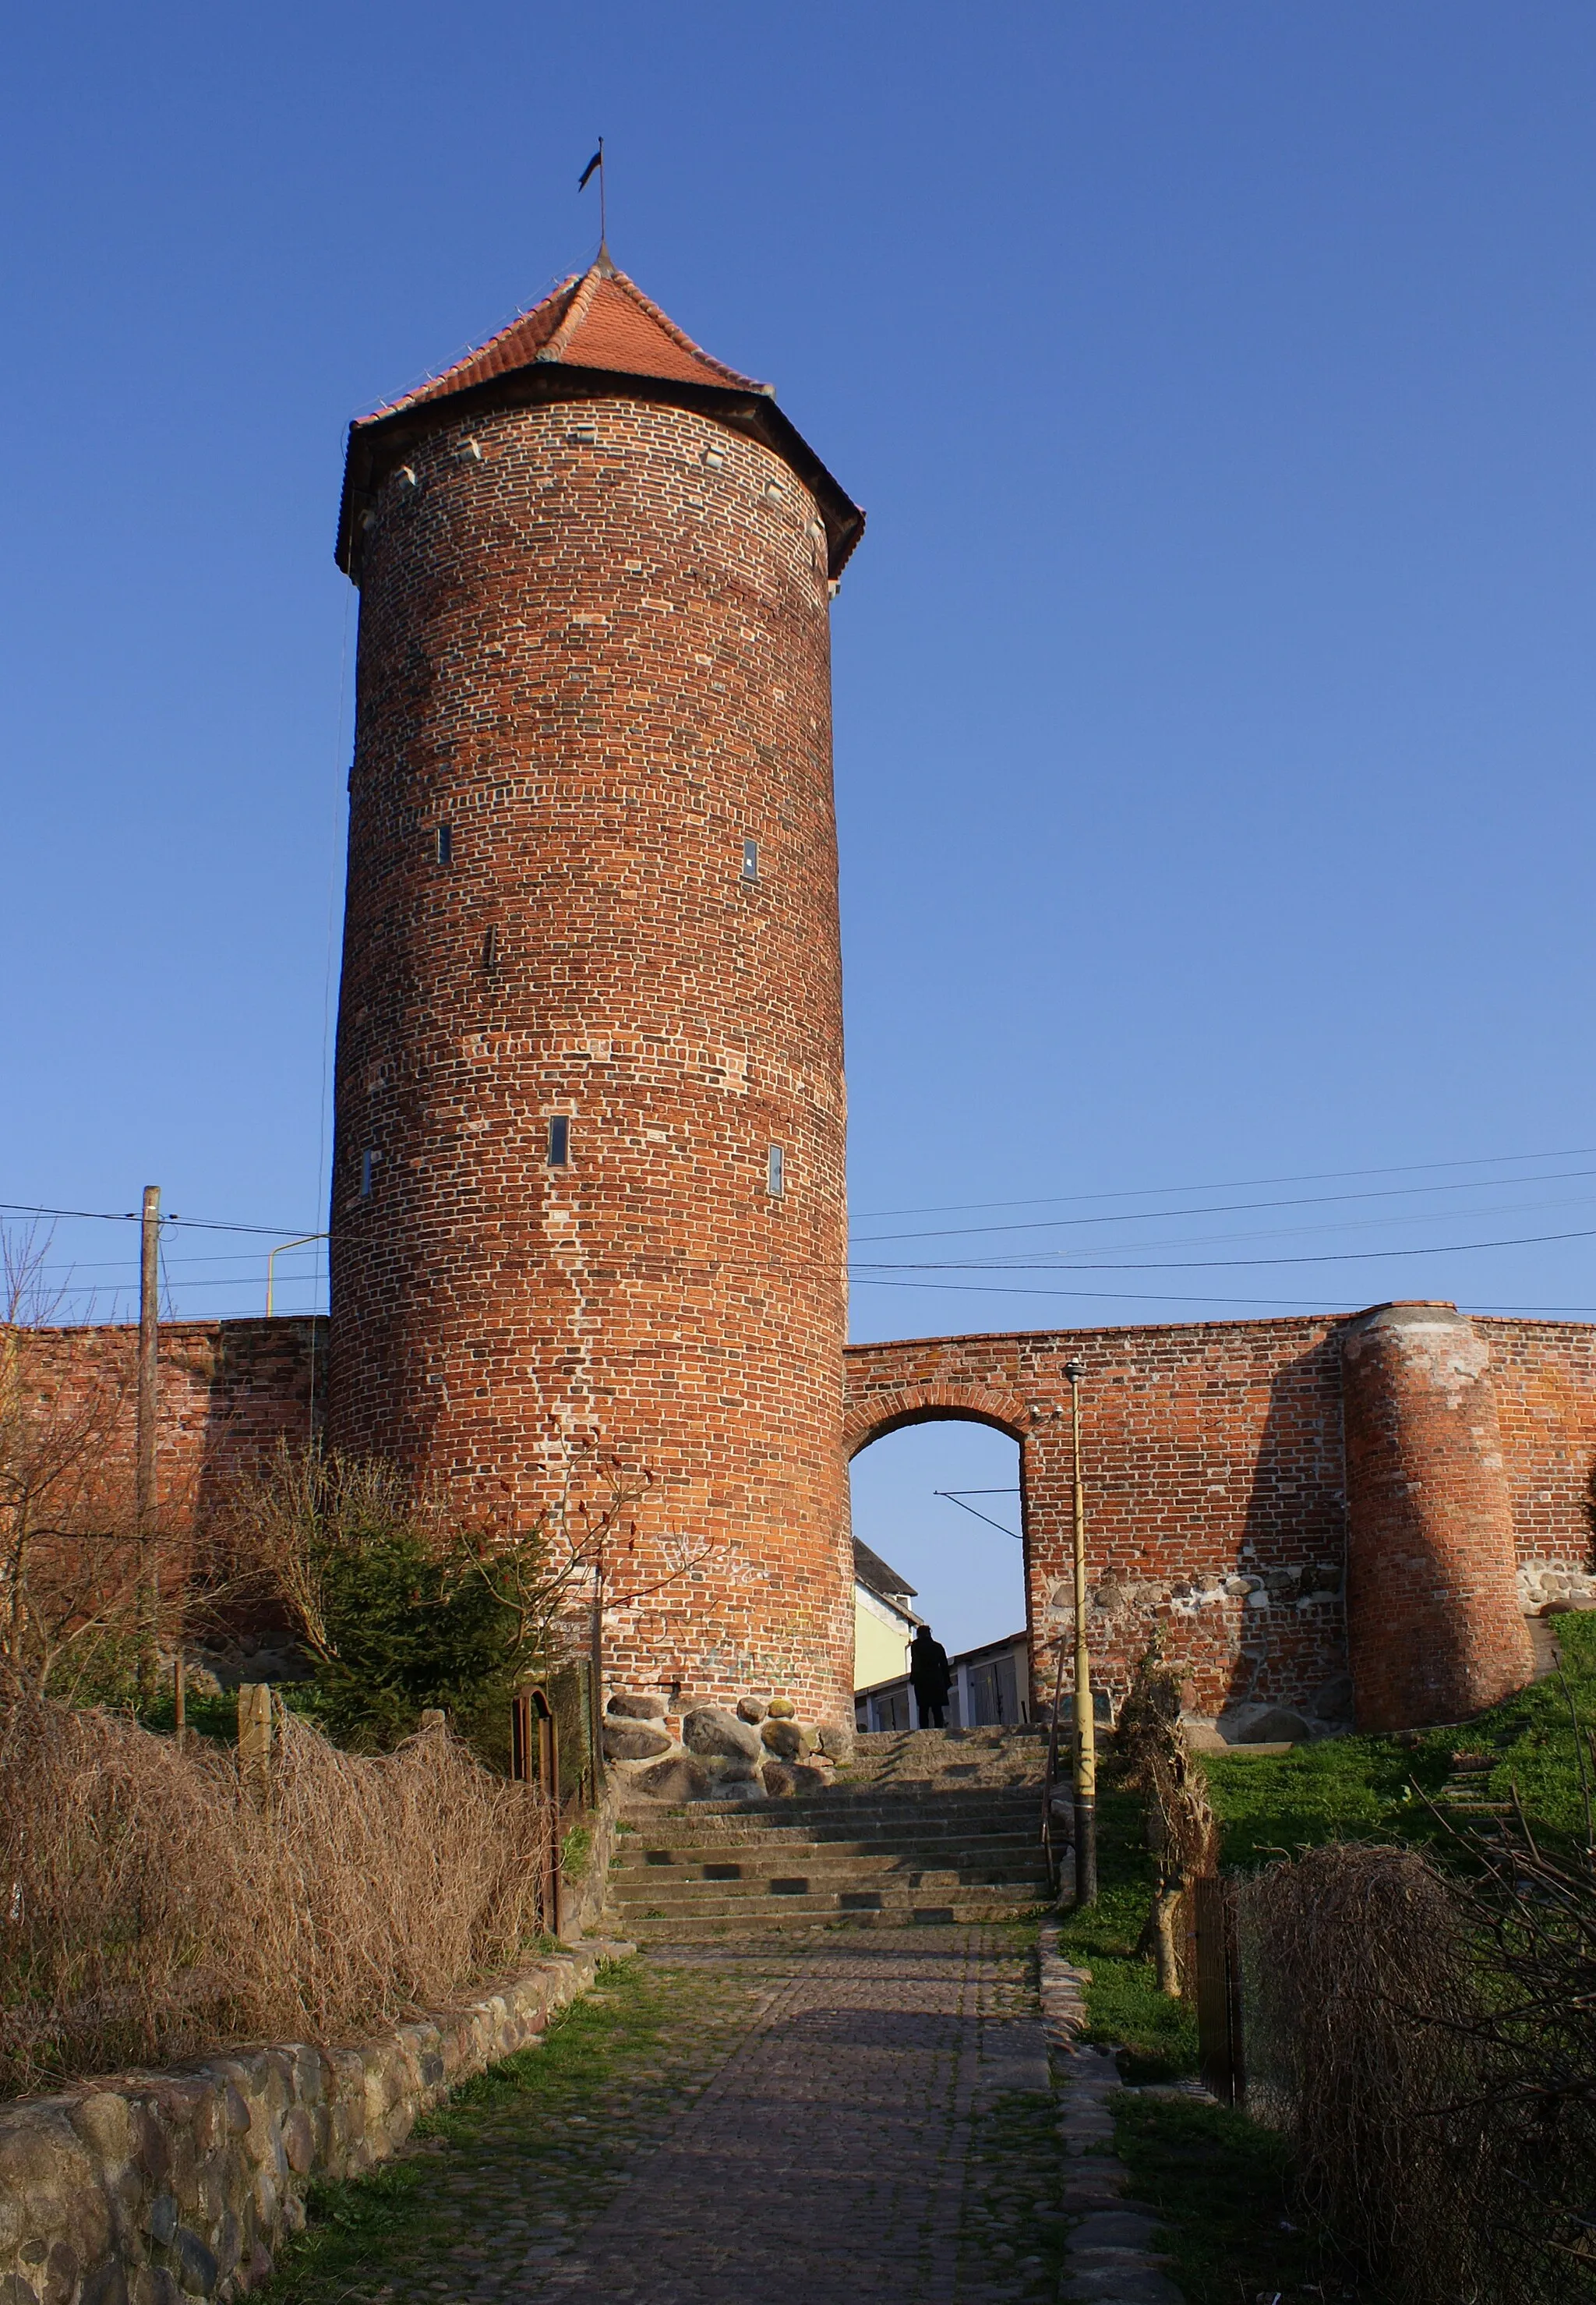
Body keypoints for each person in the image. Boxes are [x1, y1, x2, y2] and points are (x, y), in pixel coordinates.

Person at [909, 1624, 952, 1728]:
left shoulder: (916, 1646)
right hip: (936, 1680)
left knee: (923, 1709)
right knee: (937, 1708)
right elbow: (944, 1666)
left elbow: (915, 1663)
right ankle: (939, 1730)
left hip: (922, 1680)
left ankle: (924, 1730)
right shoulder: (938, 1647)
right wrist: (947, 1682)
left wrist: (913, 1677)